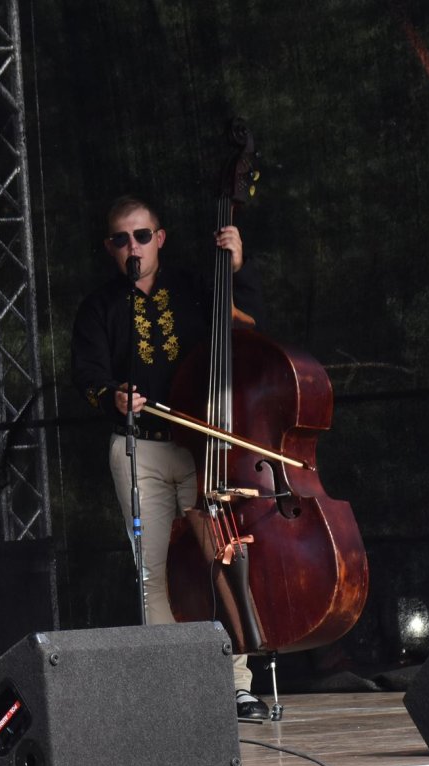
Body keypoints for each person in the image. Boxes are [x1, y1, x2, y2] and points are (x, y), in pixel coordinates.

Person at [69, 195, 270, 721]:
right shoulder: (98, 307)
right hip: (138, 450)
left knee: (218, 559)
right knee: (152, 569)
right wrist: (112, 396)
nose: (132, 247)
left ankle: (236, 684)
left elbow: (248, 326)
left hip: (202, 447)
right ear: (110, 248)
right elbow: (87, 375)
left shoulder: (194, 288)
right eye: (121, 239)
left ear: (159, 238)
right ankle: (174, 684)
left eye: (141, 236)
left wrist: (237, 269)